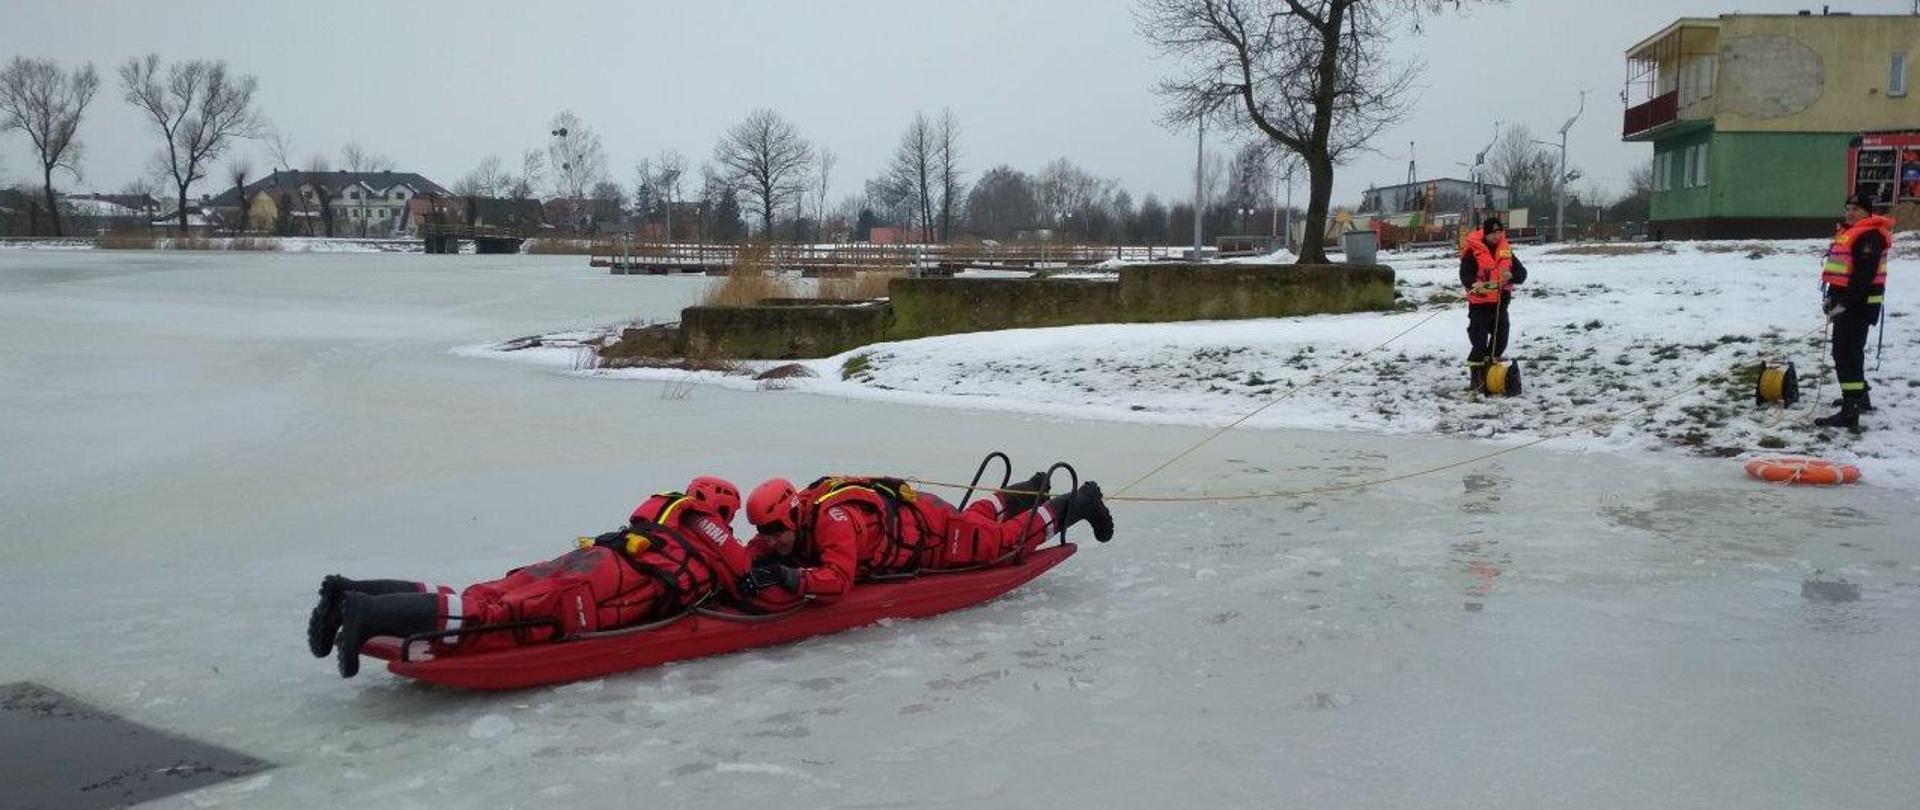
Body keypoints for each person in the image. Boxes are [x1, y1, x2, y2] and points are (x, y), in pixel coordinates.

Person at [308, 476, 752, 678]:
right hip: (603, 585)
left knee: (484, 594)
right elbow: (747, 582)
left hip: (590, 559)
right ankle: (367, 611)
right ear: (725, 511)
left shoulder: (662, 508)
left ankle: (350, 594)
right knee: (498, 618)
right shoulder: (712, 532)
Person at [733, 472, 1114, 609]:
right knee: (976, 523)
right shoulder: (791, 521)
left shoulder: (834, 522)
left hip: (932, 537)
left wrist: (790, 578)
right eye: (764, 532)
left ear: (793, 518)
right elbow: (761, 546)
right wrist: (750, 564)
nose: (770, 540)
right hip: (926, 518)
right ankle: (1024, 492)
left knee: (1001, 545)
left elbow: (838, 580)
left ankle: (1077, 504)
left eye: (774, 532)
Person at [1814, 192, 1893, 431]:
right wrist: (1832, 298)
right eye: (1848, 208)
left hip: (1857, 306)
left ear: (1867, 212)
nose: (1850, 213)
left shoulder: (1869, 237)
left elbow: (1863, 277)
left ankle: (1850, 411)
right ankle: (1860, 397)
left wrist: (1844, 303)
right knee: (1851, 352)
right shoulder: (1851, 233)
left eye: (1856, 209)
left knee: (1844, 354)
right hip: (1848, 303)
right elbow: (1842, 272)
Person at [1459, 216, 1529, 393]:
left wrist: (1511, 276)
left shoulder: (1506, 251)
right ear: (1487, 233)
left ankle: (1489, 371)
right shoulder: (1473, 252)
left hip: (1500, 305)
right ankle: (1476, 378)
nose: (1498, 236)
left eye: (1500, 232)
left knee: (1500, 340)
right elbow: (1465, 273)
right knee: (1479, 342)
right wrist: (1473, 283)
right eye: (1494, 232)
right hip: (1480, 305)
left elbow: (1522, 274)